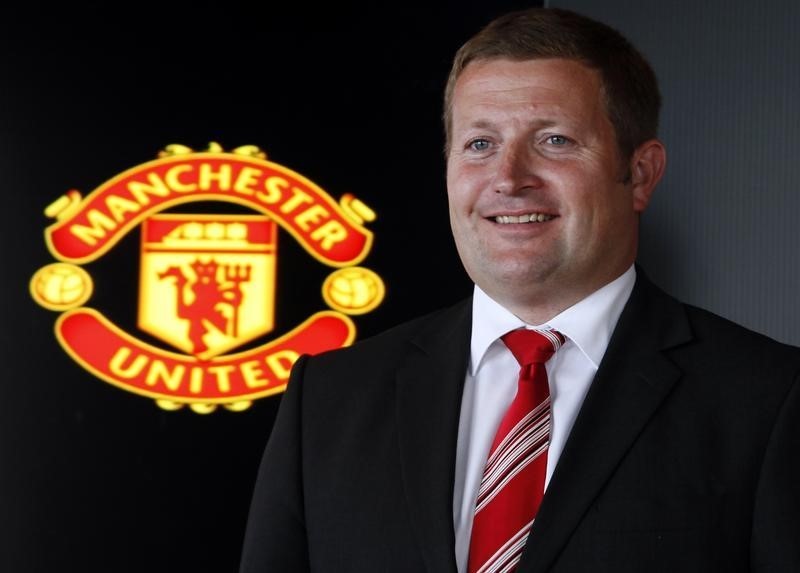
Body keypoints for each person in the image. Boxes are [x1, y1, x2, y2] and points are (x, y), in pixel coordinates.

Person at [239, 7, 800, 573]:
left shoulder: (768, 401)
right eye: (479, 144)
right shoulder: (331, 399)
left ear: (641, 173)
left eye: (554, 140)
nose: (508, 177)